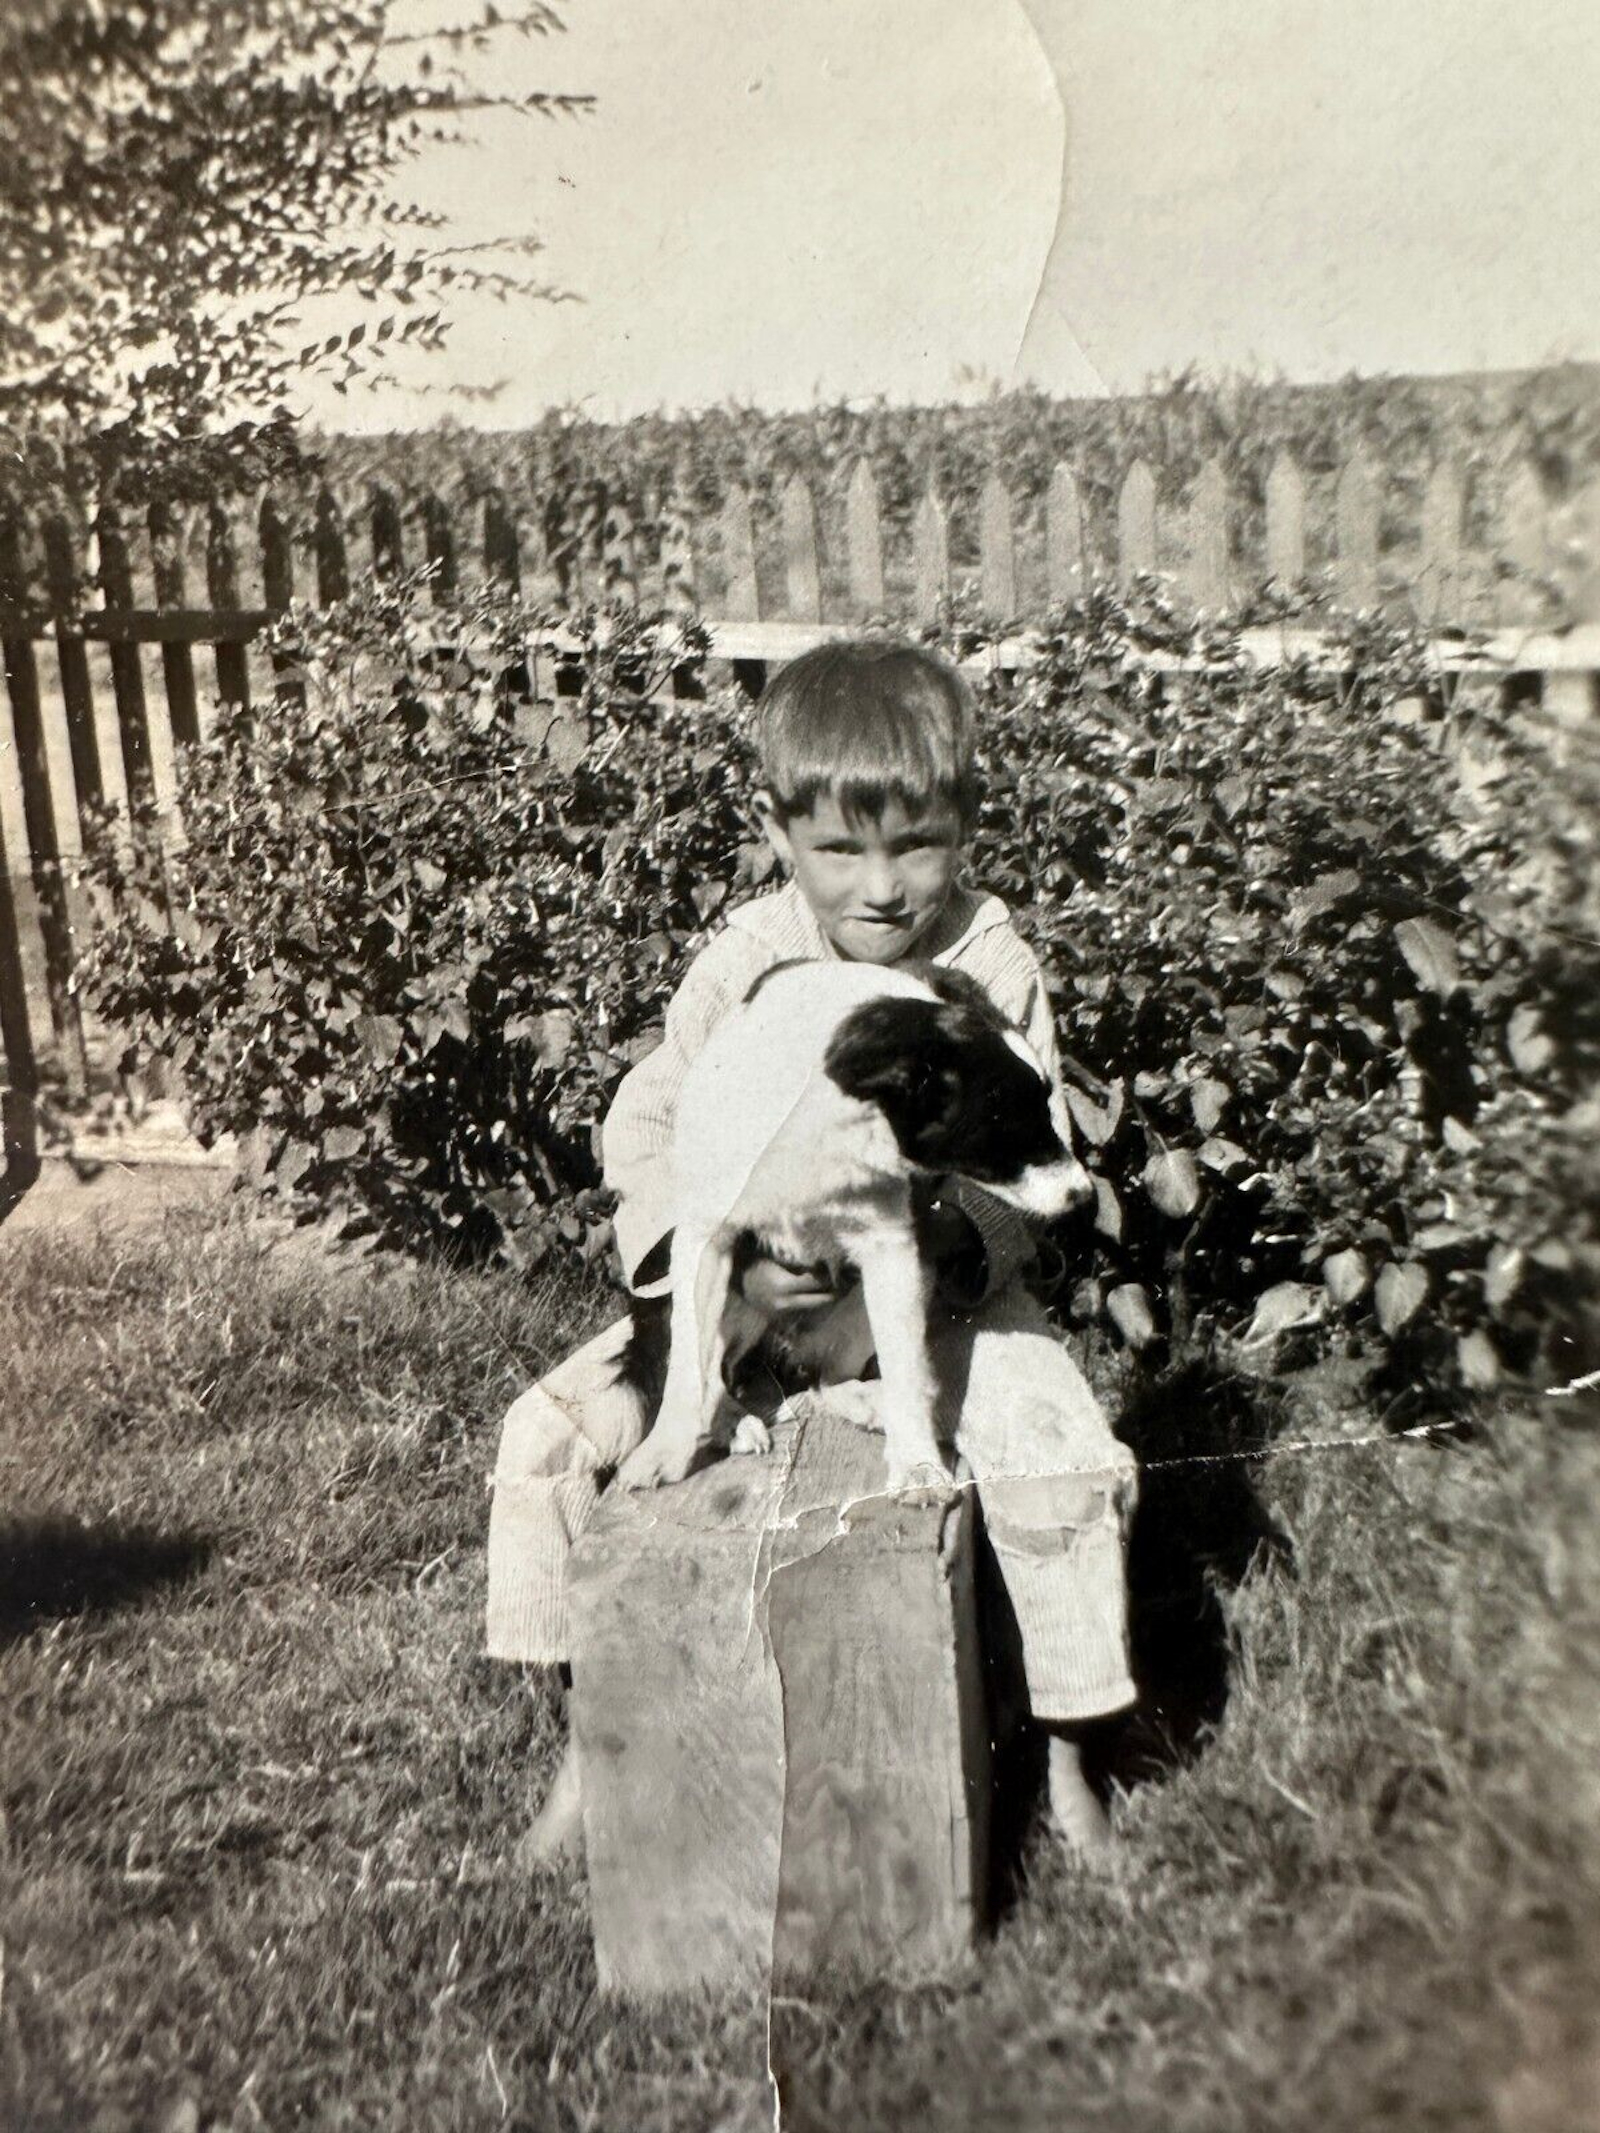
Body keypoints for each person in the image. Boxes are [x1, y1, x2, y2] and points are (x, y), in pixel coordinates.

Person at [486, 637, 1137, 1865]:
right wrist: (703, 1263)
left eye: (917, 845)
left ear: (966, 823)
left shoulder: (985, 968)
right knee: (551, 1437)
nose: (882, 888)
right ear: (778, 830)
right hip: (748, 1304)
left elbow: (1018, 1149)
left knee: (1060, 1449)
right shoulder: (746, 961)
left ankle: (1064, 1758)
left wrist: (945, 1254)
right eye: (840, 848)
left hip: (922, 1301)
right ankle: (591, 1749)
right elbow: (654, 1125)